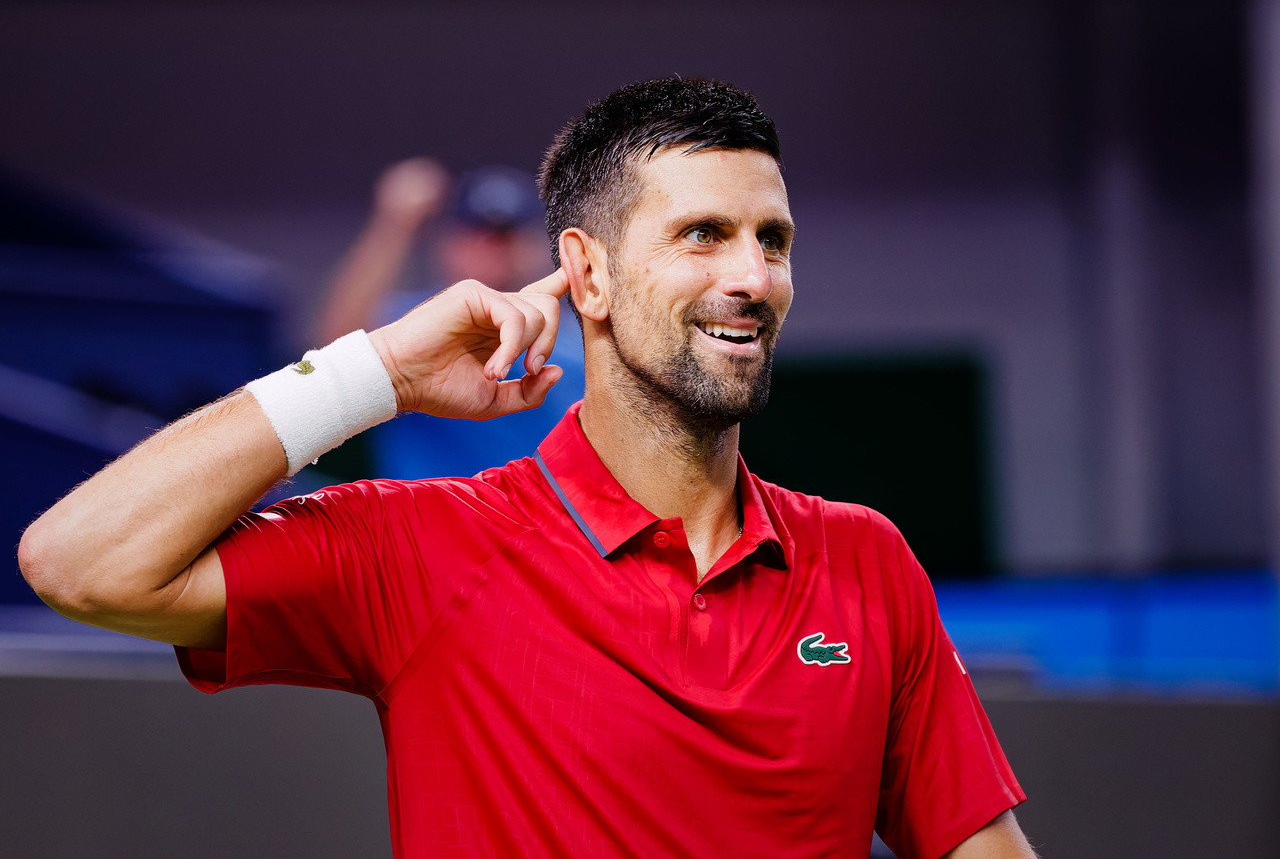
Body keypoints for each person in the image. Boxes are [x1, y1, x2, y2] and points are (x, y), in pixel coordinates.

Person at [19, 77, 1036, 858]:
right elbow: (78, 563)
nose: (752, 277)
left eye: (772, 240)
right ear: (586, 272)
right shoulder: (420, 547)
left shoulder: (866, 560)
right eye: (702, 235)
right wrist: (377, 372)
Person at [316, 158, 584, 480]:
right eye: (475, 234)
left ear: (536, 247)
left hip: (536, 508)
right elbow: (338, 346)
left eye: (503, 236)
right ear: (448, 244)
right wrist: (395, 224)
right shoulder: (416, 321)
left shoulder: (577, 340)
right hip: (422, 506)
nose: (488, 250)